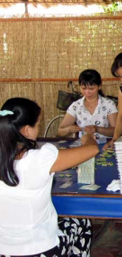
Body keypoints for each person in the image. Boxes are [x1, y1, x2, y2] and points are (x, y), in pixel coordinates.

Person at [0, 97, 99, 256]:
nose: (38, 129)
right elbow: (92, 150)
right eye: (38, 125)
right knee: (81, 222)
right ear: (26, 130)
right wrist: (87, 138)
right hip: (39, 249)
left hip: (4, 250)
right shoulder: (41, 158)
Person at [58, 69, 118, 140]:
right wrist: (69, 129)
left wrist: (97, 129)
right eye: (83, 88)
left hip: (105, 144)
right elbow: (60, 131)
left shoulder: (108, 104)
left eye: (91, 89)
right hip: (84, 146)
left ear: (99, 86)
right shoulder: (76, 106)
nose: (87, 92)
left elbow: (116, 130)